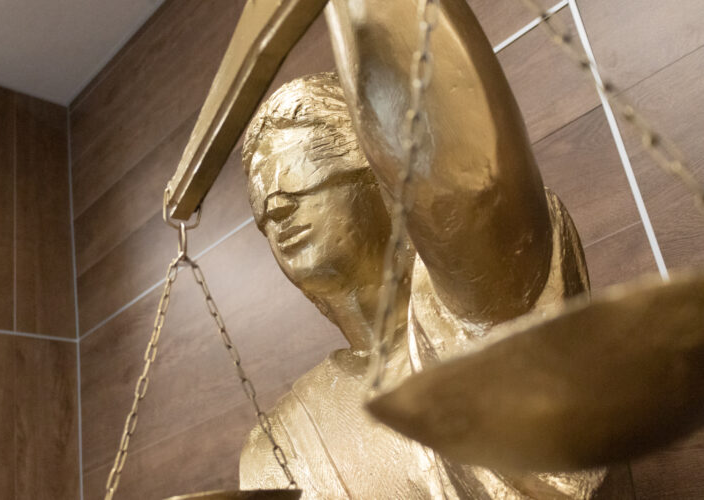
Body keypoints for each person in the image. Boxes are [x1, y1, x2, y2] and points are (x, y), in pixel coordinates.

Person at [239, 72, 605, 499]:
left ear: (378, 173)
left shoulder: (492, 307)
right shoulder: (275, 447)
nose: (276, 210)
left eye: (296, 179)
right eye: (262, 208)